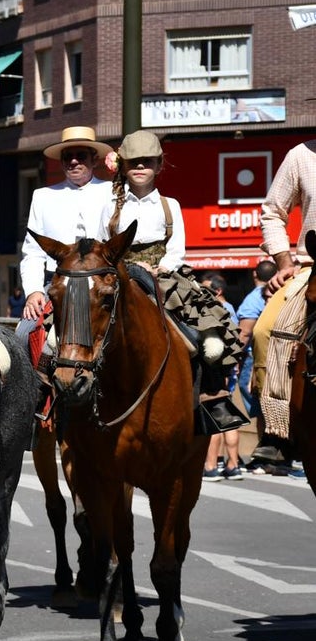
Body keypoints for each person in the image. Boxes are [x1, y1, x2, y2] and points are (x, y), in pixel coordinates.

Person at [96, 130, 243, 431]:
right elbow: (101, 246)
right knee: (71, 331)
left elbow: (177, 249)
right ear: (123, 166)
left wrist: (159, 268)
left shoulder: (170, 205)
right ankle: (58, 398)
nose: (140, 168)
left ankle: (210, 400)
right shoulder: (109, 205)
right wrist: (121, 268)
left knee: (207, 341)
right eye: (134, 162)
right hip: (119, 278)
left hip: (164, 279)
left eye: (147, 162)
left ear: (159, 166)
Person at [249, 139, 316, 465]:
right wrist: (285, 262)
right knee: (264, 331)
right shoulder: (301, 155)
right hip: (311, 266)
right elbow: (273, 212)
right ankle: (277, 431)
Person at [20, 126, 114, 323]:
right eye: (67, 157)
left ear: (94, 160)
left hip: (103, 285)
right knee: (25, 331)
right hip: (56, 284)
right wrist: (34, 291)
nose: (73, 161)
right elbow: (33, 252)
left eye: (81, 156)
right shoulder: (43, 196)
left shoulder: (112, 191)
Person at [200, 275, 242, 481]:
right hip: (228, 371)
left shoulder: (210, 312)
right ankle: (233, 465)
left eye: (205, 290)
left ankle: (210, 466)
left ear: (217, 292)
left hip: (215, 372)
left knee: (213, 418)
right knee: (228, 418)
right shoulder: (231, 311)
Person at [235, 259, 275, 452]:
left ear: (254, 274)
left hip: (256, 358)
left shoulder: (253, 298)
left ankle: (266, 447)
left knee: (260, 406)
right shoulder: (280, 294)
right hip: (277, 357)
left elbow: (244, 333)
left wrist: (234, 357)